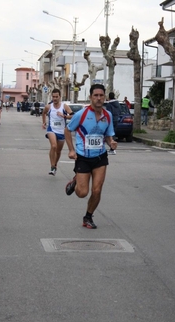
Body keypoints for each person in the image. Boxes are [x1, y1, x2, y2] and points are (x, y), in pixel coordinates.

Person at [64, 83, 117, 229]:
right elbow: (67, 130)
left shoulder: (108, 116)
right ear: (90, 97)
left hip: (100, 157)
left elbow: (108, 135)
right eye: (96, 95)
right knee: (82, 193)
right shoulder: (81, 114)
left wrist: (111, 142)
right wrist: (71, 150)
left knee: (97, 190)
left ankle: (88, 217)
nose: (99, 98)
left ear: (104, 97)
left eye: (101, 95)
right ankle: (76, 181)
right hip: (83, 157)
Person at [42, 88, 73, 176]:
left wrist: (64, 116)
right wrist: (44, 122)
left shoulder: (64, 106)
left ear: (60, 97)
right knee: (54, 146)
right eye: (53, 97)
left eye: (56, 97)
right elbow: (44, 113)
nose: (55, 98)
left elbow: (73, 115)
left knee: (58, 151)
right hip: (51, 129)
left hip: (61, 130)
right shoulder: (49, 106)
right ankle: (52, 166)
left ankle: (55, 165)